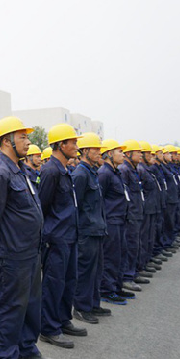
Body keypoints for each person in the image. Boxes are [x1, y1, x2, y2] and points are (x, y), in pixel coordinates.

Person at [0, 116, 55, 359]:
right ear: (7, 141)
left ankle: (26, 348)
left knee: (30, 305)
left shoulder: (20, 170)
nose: (28, 142)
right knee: (10, 308)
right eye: (23, 137)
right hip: (12, 255)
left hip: (30, 252)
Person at [39, 124, 85, 349]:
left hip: (69, 235)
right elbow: (43, 206)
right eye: (73, 142)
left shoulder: (64, 170)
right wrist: (49, 236)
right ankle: (49, 328)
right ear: (61, 144)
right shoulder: (50, 171)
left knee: (69, 281)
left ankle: (63, 319)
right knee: (53, 283)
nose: (76, 146)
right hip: (56, 238)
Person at [71, 133, 108, 325]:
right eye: (96, 149)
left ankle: (93, 303)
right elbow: (75, 206)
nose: (99, 153)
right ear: (85, 151)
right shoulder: (80, 174)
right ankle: (81, 307)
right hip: (86, 231)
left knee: (96, 269)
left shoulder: (92, 172)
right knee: (85, 271)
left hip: (96, 229)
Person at [97, 140, 130, 305]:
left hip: (120, 219)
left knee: (121, 255)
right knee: (111, 257)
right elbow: (99, 200)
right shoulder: (104, 173)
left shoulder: (116, 172)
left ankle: (117, 286)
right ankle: (107, 290)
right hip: (110, 221)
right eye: (120, 151)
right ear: (109, 153)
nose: (123, 155)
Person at [118, 140, 147, 292]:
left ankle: (134, 272)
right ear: (129, 154)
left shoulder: (133, 169)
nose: (140, 155)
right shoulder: (124, 170)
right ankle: (127, 277)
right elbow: (124, 196)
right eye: (138, 152)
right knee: (130, 245)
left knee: (136, 244)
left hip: (136, 212)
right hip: (130, 215)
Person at [136, 142, 160, 278]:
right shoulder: (140, 170)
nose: (152, 156)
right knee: (143, 238)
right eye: (148, 154)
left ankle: (146, 261)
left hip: (151, 207)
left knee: (149, 236)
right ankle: (141, 265)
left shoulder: (147, 169)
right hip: (145, 209)